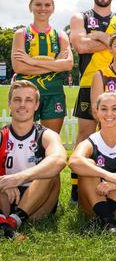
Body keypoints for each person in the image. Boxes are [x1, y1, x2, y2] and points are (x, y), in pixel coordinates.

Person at [69, 0, 116, 203]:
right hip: (88, 82)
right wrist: (110, 40)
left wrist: (98, 36)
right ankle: (77, 188)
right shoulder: (80, 17)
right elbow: (81, 46)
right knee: (85, 134)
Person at [68, 92, 116, 232]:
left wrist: (115, 183)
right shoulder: (91, 140)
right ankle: (107, 220)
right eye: (104, 109)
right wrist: (107, 175)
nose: (109, 114)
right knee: (87, 165)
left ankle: (103, 219)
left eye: (114, 108)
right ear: (96, 112)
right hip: (94, 204)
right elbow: (74, 161)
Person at [0, 81, 67, 239]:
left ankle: (13, 221)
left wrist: (18, 178)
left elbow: (59, 159)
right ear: (9, 104)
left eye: (28, 100)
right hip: (6, 197)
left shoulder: (46, 134)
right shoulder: (3, 135)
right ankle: (6, 223)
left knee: (50, 172)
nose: (22, 105)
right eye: (17, 100)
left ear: (36, 105)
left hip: (39, 201)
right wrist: (4, 182)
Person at [12, 0, 73, 133]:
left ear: (53, 8)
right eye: (38, 4)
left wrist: (31, 62)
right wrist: (55, 65)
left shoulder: (61, 35)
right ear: (30, 6)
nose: (43, 8)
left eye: (47, 5)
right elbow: (19, 67)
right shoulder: (21, 34)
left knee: (51, 139)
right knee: (23, 138)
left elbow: (68, 64)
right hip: (25, 93)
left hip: (53, 92)